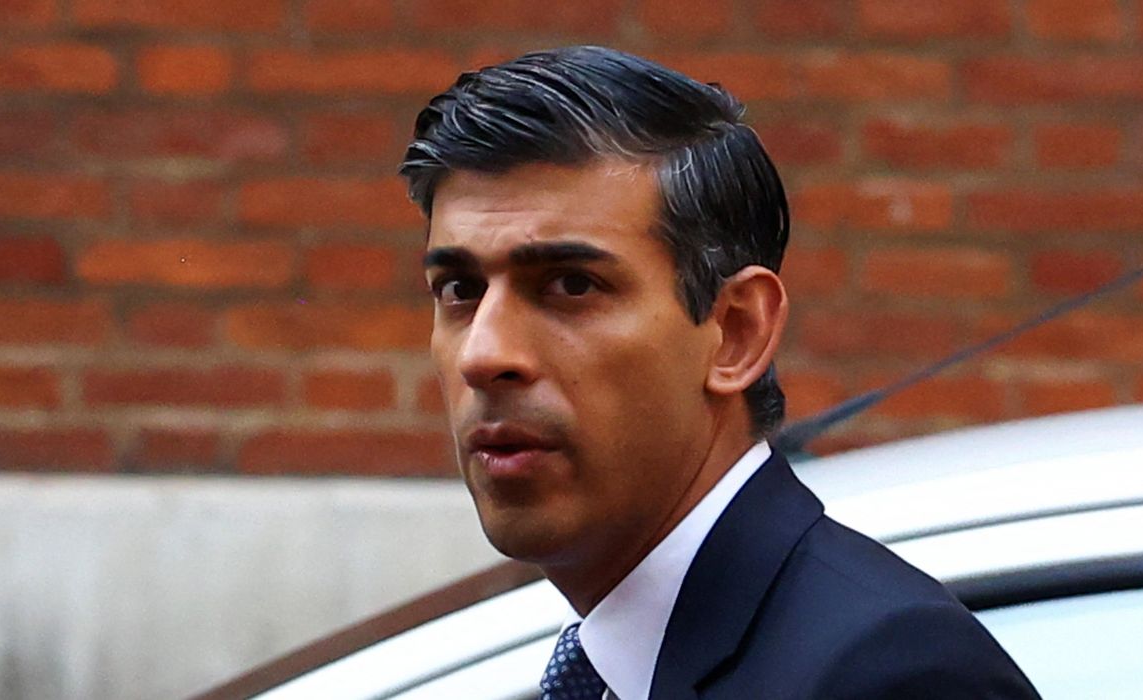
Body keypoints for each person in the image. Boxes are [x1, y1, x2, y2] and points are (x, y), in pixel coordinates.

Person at [401, 46, 1041, 700]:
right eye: (458, 289)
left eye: (571, 285)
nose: (484, 356)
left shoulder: (888, 675)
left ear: (737, 332)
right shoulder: (618, 661)